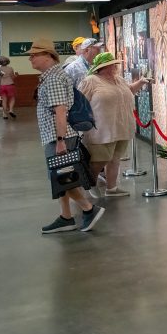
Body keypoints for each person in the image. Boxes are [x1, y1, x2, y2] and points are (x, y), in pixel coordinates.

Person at [28, 38, 105, 234]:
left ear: (48, 56)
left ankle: (89, 209)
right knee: (60, 176)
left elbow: (60, 111)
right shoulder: (53, 75)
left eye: (34, 55)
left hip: (59, 137)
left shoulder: (54, 78)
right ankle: (66, 217)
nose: (31, 59)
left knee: (63, 177)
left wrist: (60, 141)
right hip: (58, 136)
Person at [79, 52, 149, 199]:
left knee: (115, 159)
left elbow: (129, 90)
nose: (114, 67)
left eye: (114, 64)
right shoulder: (91, 81)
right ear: (101, 67)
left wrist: (141, 82)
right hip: (100, 129)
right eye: (110, 65)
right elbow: (80, 103)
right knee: (100, 159)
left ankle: (111, 188)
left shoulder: (118, 80)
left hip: (121, 126)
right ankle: (90, 184)